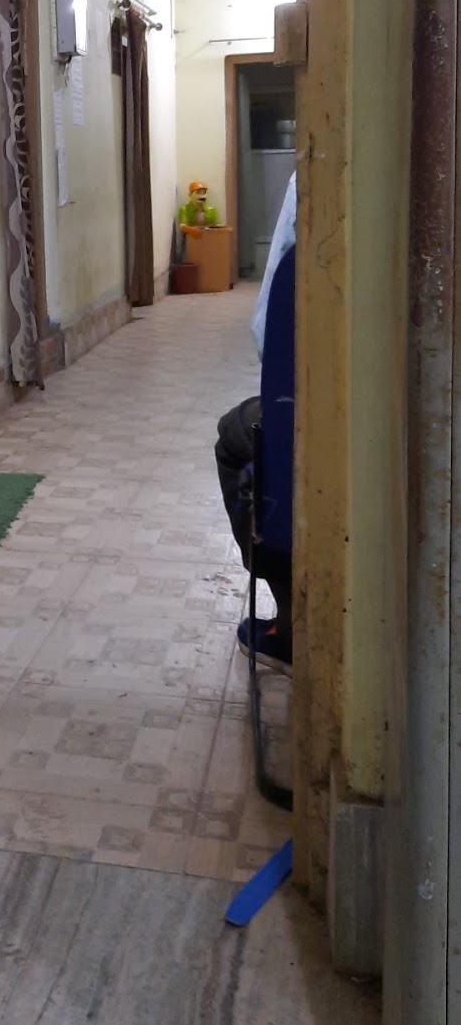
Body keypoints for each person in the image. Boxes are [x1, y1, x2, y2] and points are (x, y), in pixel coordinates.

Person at [214, 171, 296, 673]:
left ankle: (290, 626)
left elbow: (269, 332)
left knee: (235, 435)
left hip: (312, 402)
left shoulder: (306, 180)